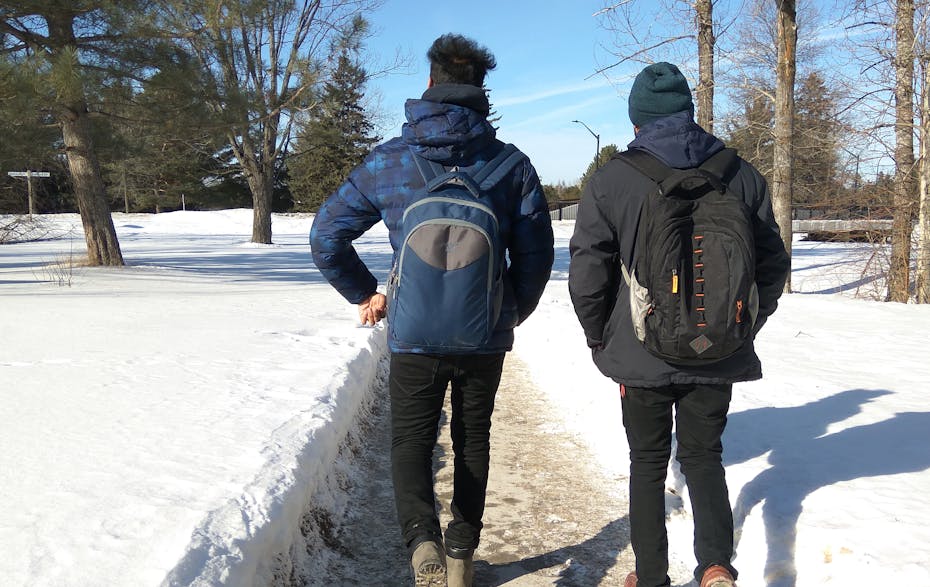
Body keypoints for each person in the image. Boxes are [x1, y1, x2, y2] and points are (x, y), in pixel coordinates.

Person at [309, 33, 554, 587]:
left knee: (411, 440)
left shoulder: (389, 161)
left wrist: (365, 293)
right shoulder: (511, 165)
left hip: (413, 332)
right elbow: (536, 257)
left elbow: (326, 236)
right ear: (482, 90)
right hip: (483, 334)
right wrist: (508, 312)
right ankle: (462, 552)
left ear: (429, 82)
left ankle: (422, 543)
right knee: (473, 437)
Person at [568, 62, 790, 587]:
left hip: (640, 350)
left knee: (648, 461)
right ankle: (716, 568)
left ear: (637, 119)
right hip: (720, 347)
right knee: (704, 456)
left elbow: (588, 272)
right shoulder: (741, 174)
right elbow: (772, 266)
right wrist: (741, 327)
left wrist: (600, 337)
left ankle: (650, 577)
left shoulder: (613, 179)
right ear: (689, 112)